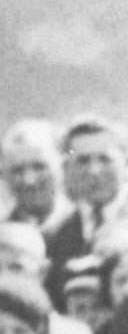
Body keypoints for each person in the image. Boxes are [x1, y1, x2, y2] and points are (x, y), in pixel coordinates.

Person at [45, 114, 123, 284]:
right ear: (67, 169)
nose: (94, 171)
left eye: (105, 159)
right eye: (83, 161)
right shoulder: (54, 236)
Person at [0, 118, 62, 229]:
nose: (29, 180)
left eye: (39, 167)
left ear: (61, 166)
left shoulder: (84, 228)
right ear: (4, 176)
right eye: (17, 171)